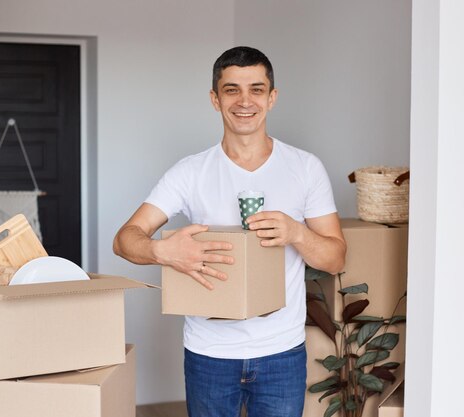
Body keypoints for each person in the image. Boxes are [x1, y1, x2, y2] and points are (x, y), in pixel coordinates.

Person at [113, 46, 346, 417]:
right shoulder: (190, 172)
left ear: (272, 98)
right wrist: (163, 251)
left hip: (281, 352)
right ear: (215, 98)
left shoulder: (305, 168)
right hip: (209, 353)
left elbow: (335, 259)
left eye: (256, 89)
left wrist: (296, 233)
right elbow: (125, 238)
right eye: (231, 89)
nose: (244, 101)